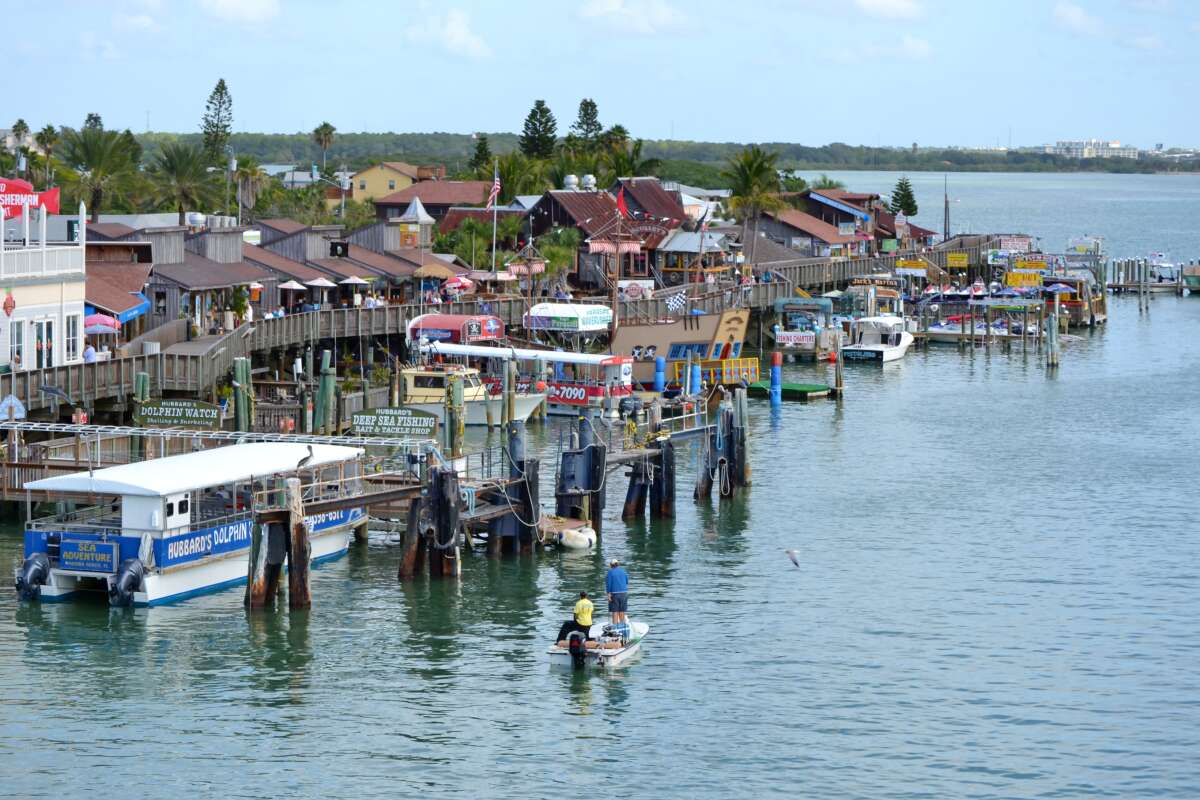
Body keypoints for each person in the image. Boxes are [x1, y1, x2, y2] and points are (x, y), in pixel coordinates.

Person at [606, 559, 629, 624]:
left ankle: (615, 628)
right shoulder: (623, 571)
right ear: (618, 564)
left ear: (611, 565)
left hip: (615, 594)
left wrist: (608, 594)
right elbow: (627, 582)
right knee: (622, 611)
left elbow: (608, 584)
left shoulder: (610, 572)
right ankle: (622, 626)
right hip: (624, 593)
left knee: (615, 611)